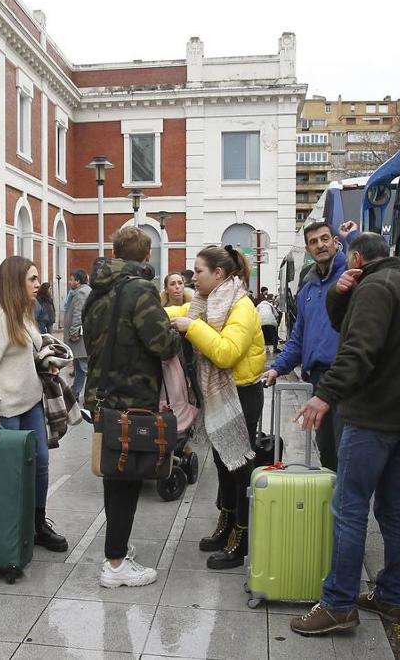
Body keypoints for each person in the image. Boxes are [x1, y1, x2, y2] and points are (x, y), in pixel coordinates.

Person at [289, 233, 400, 637]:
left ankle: (337, 604)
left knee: (349, 507)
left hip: (373, 417)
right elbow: (346, 326)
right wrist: (339, 296)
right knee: (393, 508)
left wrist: (325, 396)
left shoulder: (374, 288)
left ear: (354, 257)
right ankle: (390, 595)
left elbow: (356, 348)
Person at [82, 227, 182, 587]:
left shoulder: (98, 289)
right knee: (126, 477)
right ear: (146, 255)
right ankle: (116, 564)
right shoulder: (140, 289)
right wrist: (175, 331)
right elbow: (161, 343)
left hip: (102, 393)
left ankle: (118, 547)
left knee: (115, 475)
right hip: (132, 396)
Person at [170, 244, 265, 569]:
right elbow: (181, 314)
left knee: (238, 467)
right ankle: (225, 526)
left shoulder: (241, 306)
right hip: (222, 395)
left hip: (241, 396)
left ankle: (242, 538)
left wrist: (192, 329)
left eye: (198, 272)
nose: (193, 278)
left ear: (219, 274)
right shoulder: (206, 302)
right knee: (223, 464)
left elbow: (226, 353)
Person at [0, 255, 67, 554]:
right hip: (4, 410)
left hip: (30, 403)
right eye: (32, 279)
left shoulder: (24, 314)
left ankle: (37, 523)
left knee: (39, 462)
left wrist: (46, 363)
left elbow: (28, 353)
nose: (38, 285)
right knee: (8, 474)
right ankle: (5, 532)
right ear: (15, 282)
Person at [261, 220, 359, 472]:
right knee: (326, 452)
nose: (320, 245)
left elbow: (372, 263)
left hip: (346, 378)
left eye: (325, 239)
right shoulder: (307, 290)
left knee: (346, 452)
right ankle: (332, 507)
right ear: (307, 249)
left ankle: (346, 509)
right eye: (314, 242)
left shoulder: (350, 275)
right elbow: (299, 338)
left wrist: (354, 238)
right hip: (318, 380)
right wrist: (278, 368)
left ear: (335, 242)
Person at [62, 270, 91, 402]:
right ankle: (75, 391)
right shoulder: (80, 292)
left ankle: (91, 394)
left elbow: (78, 314)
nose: (70, 282)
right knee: (79, 366)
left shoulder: (81, 293)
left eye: (72, 279)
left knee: (84, 366)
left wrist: (74, 332)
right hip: (79, 336)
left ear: (78, 281)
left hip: (79, 337)